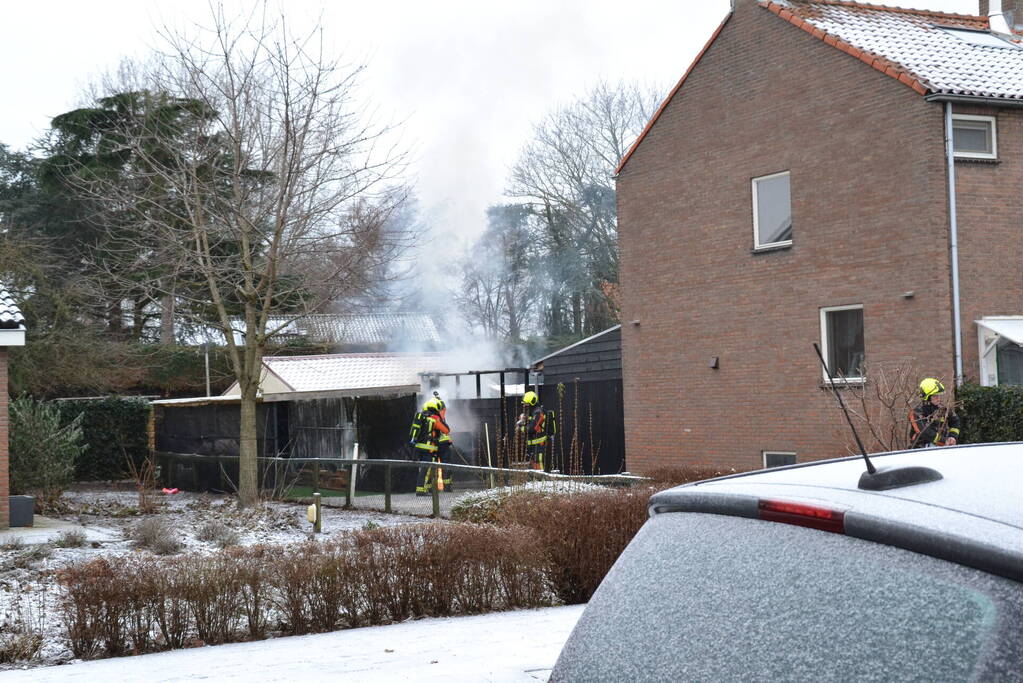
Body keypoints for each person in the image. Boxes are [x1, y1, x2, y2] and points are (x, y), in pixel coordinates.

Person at [409, 396, 453, 494]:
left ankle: (425, 489)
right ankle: (421, 491)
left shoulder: (421, 417)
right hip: (428, 449)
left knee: (423, 469)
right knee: (426, 470)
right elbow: (446, 430)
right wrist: (441, 420)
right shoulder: (434, 419)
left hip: (418, 448)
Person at [909, 378, 961, 448]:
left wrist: (953, 436)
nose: (938, 398)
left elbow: (955, 421)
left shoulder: (943, 409)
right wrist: (943, 441)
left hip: (942, 447)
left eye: (939, 395)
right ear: (927, 397)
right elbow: (924, 432)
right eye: (935, 396)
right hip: (921, 449)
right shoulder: (916, 413)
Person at [516, 390, 549, 470]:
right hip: (533, 448)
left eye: (526, 404)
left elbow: (532, 429)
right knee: (534, 469)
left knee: (540, 469)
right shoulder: (532, 413)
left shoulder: (539, 413)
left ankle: (542, 478)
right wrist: (523, 420)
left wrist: (521, 428)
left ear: (532, 403)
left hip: (540, 447)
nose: (524, 407)